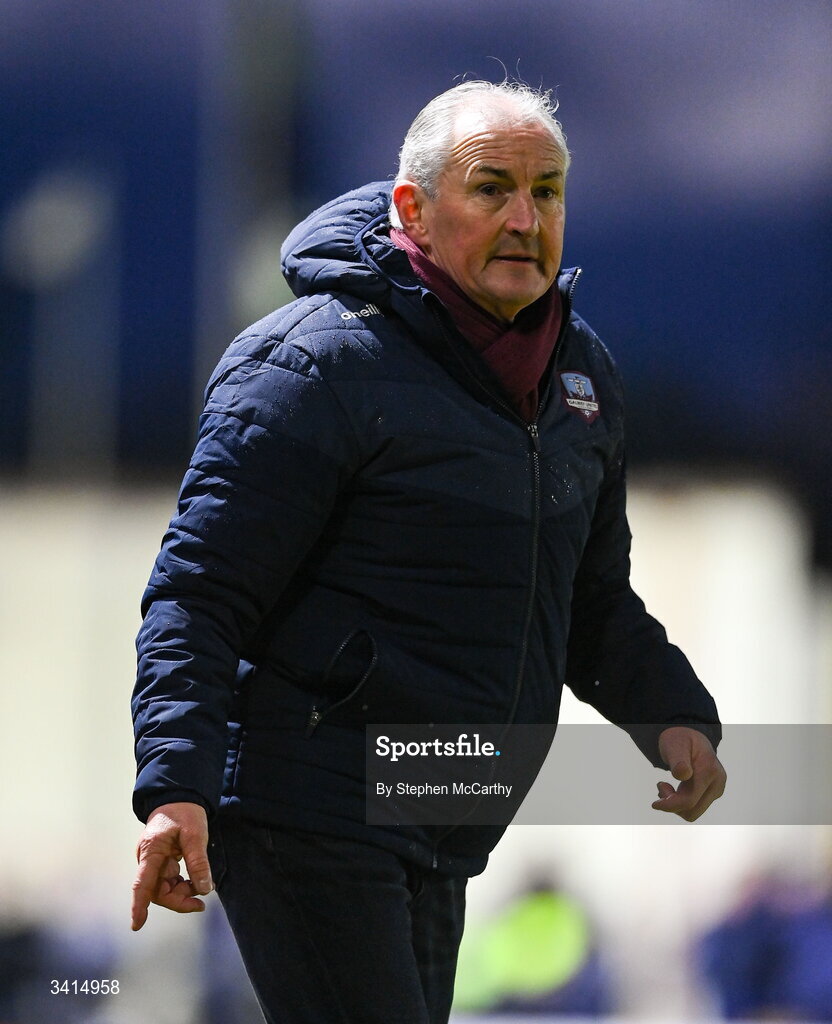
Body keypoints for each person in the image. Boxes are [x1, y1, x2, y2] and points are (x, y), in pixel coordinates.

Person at [131, 80, 727, 1023]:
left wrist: (675, 716)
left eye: (549, 190)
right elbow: (197, 596)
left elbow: (592, 603)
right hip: (309, 805)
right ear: (412, 208)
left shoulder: (582, 376)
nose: (527, 217)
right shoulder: (313, 363)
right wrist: (175, 787)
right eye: (492, 188)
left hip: (443, 809)